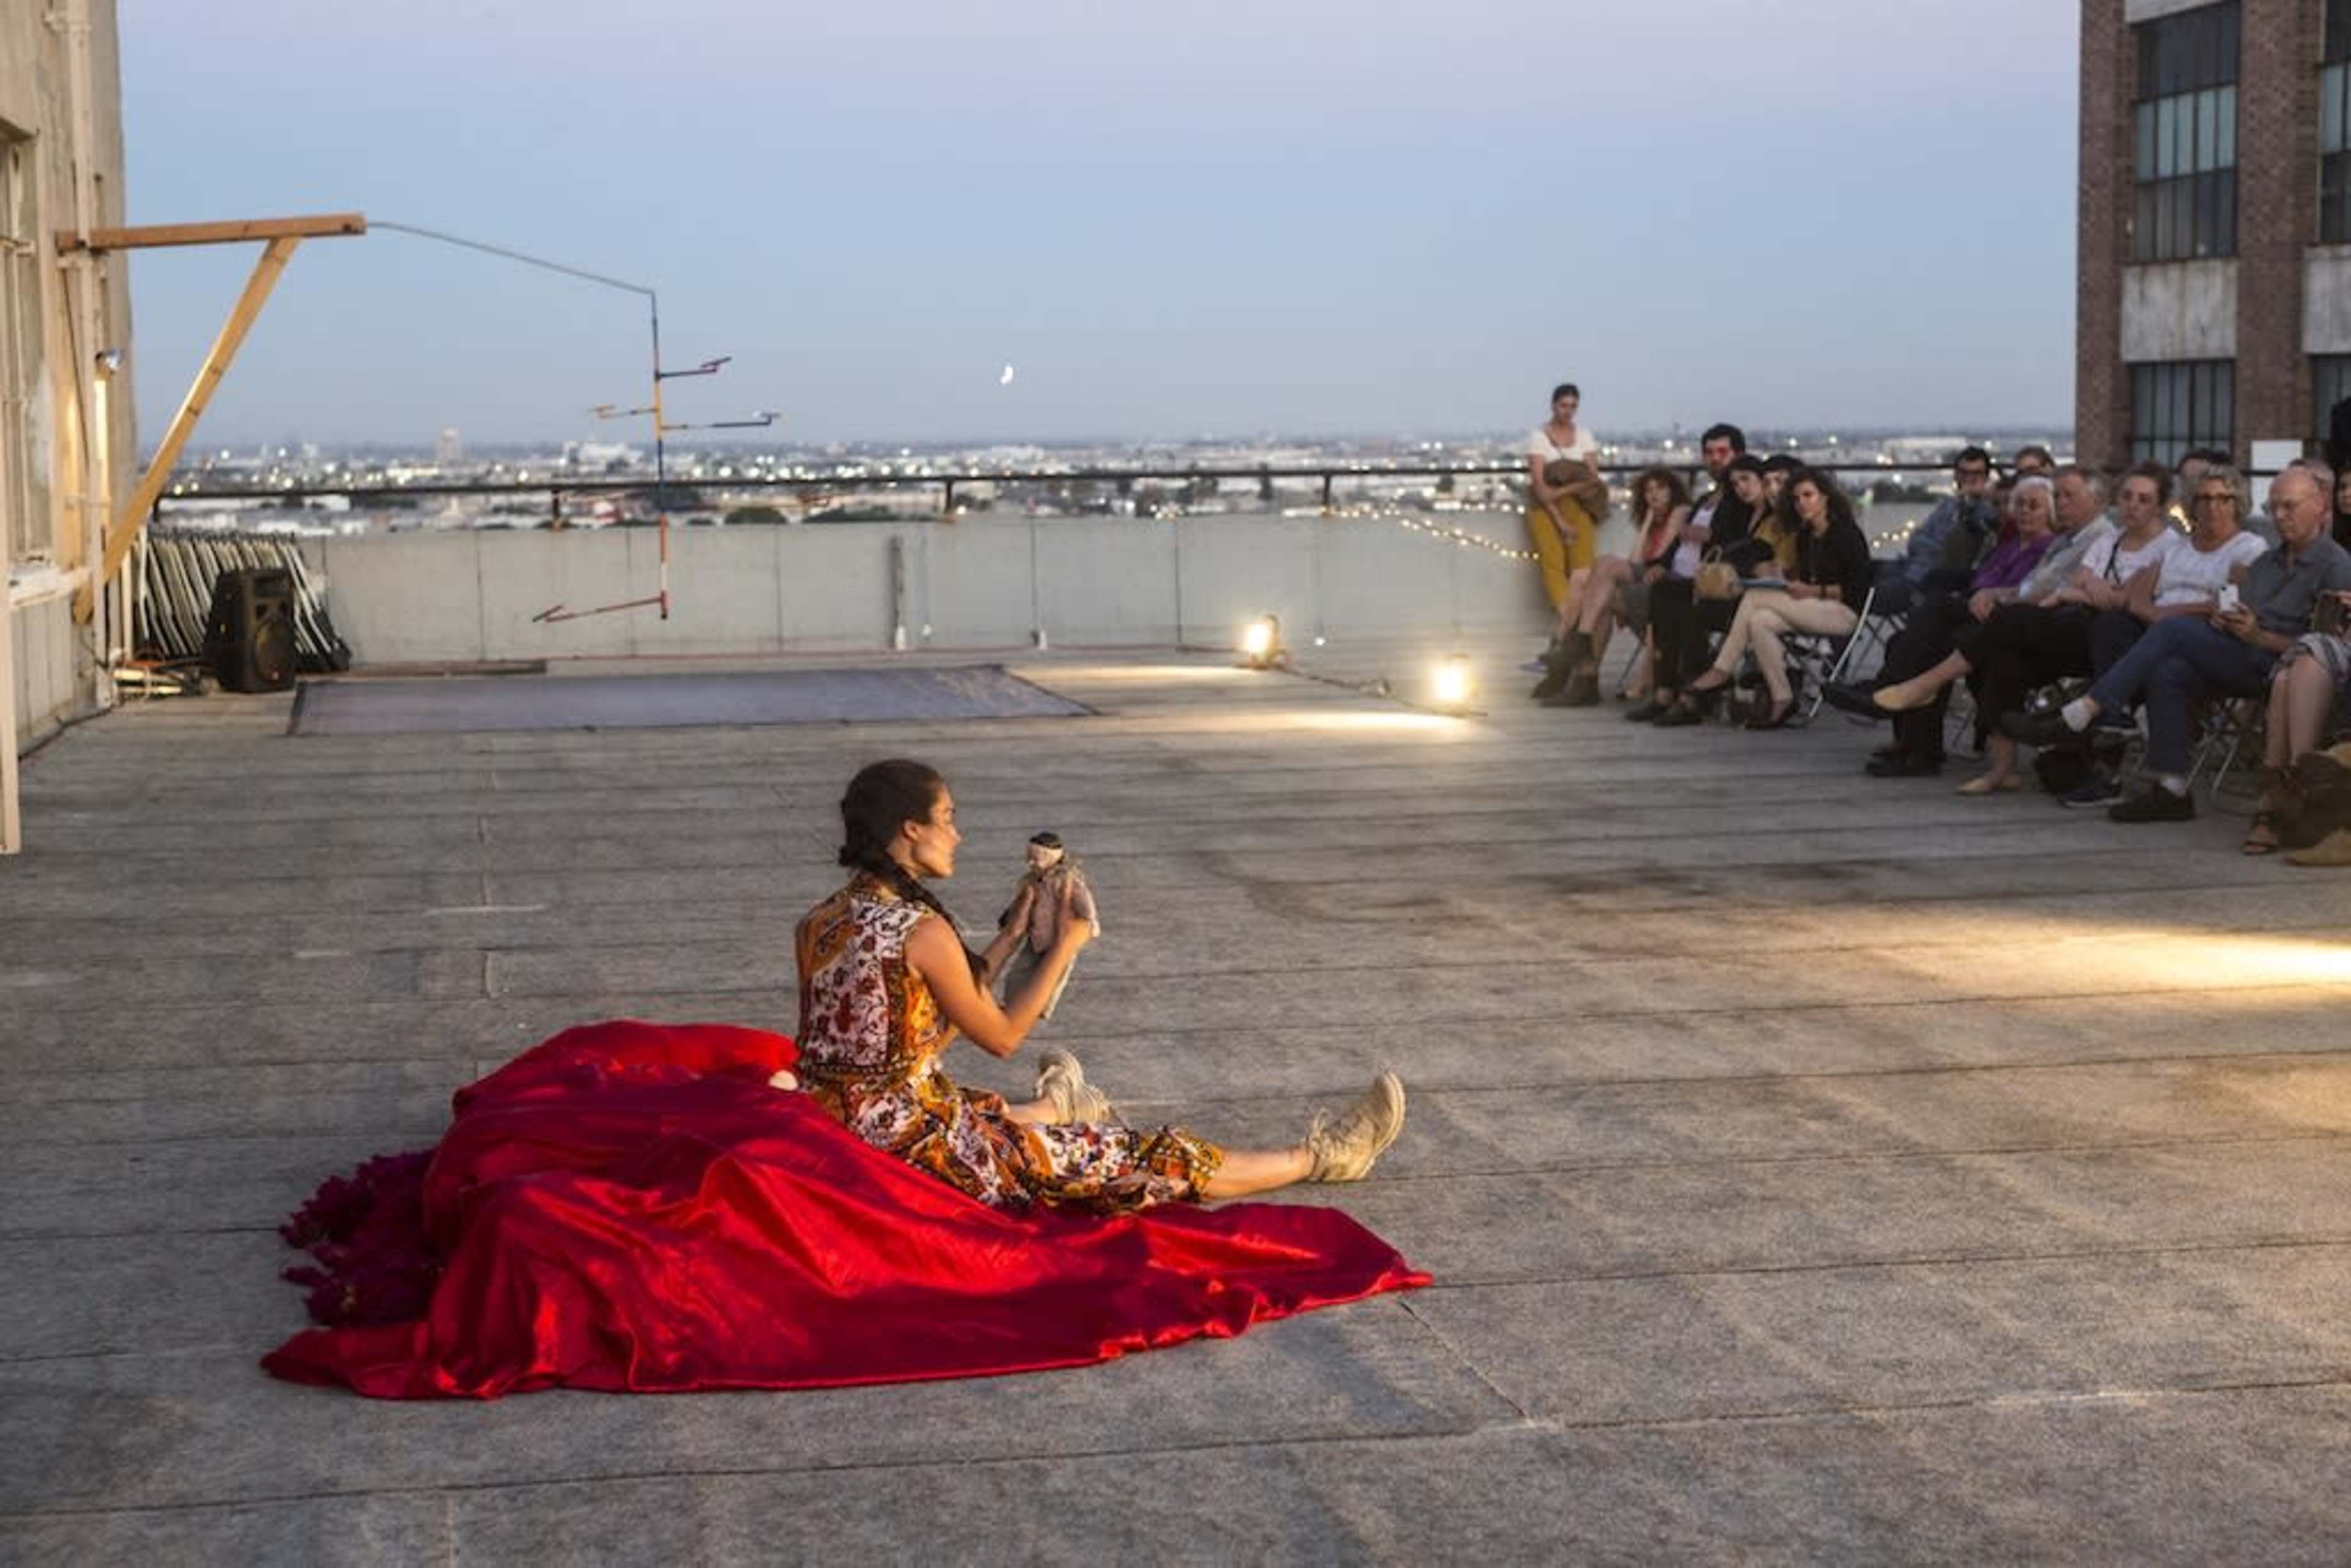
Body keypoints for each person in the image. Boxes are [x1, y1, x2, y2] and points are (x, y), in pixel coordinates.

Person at [802, 759, 1406, 1207]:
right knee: (1145, 1154)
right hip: (908, 1145)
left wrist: (1012, 935)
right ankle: (1323, 1157)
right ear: (911, 828)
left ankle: (1060, 1106)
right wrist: (1070, 941)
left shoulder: (820, 921)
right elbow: (1004, 1036)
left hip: (842, 1125)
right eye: (948, 818)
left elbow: (902, 1041)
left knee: (991, 1114)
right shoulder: (922, 930)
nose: (957, 834)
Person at [2004, 465, 2351, 822]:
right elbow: (2233, 607)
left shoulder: (2334, 565)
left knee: (2171, 631)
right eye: (2273, 507)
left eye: (2289, 506)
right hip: (2238, 648)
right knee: (2167, 669)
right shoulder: (2269, 561)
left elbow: (2328, 652)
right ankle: (2172, 788)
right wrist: (2228, 619)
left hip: (2282, 665)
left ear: (2319, 506)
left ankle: (2086, 711)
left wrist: (2257, 635)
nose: (2279, 516)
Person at [1866, 463, 2180, 795]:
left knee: (2006, 620)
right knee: (2003, 651)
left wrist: (2083, 592)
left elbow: (2127, 600)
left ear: (2160, 505)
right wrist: (2088, 591)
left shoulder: (2167, 547)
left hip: (2117, 644)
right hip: (2072, 625)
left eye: (2144, 499)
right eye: (2127, 497)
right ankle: (2003, 769)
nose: (2132, 505)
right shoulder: (2111, 541)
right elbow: (2082, 581)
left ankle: (1924, 685)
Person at [1826, 475, 2059, 775]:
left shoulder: (2048, 551)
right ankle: (1912, 746)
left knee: (1935, 615)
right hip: (1972, 613)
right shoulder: (2009, 546)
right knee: (1902, 642)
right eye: (2021, 504)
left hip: (2001, 624)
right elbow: (1976, 580)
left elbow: (2029, 594)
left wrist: (1988, 596)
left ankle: (1887, 700)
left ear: (2049, 512)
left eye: (2034, 506)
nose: (2025, 511)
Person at [1655, 468, 1872, 730]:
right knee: (1760, 621)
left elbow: (1859, 588)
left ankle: (1721, 670)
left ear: (1825, 497)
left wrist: (1813, 591)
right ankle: (1782, 698)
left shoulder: (1846, 534)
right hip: (1812, 607)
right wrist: (1781, 576)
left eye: (1808, 496)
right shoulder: (1806, 536)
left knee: (1755, 597)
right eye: (1796, 498)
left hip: (1843, 613)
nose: (1802, 503)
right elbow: (1805, 578)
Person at [1629, 438, 1762, 722]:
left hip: (1718, 586)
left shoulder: (1740, 505)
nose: (1716, 459)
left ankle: (1690, 697)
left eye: (1723, 452)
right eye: (1710, 453)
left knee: (1685, 606)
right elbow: (1679, 542)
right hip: (1687, 579)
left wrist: (1711, 537)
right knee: (1662, 593)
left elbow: (1744, 545)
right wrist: (1662, 565)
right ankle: (1665, 691)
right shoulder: (1705, 499)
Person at [1534, 465, 1687, 706]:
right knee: (1588, 585)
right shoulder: (1652, 521)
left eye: (1660, 488)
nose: (1654, 495)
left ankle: (1571, 651)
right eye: (1648, 490)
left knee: (1602, 568)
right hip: (1645, 586)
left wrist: (1650, 524)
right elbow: (1636, 561)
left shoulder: (1681, 512)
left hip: (1666, 588)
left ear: (1673, 491)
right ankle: (1583, 674)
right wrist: (1647, 523)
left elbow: (1658, 559)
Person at [1522, 383, 1605, 655]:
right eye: (1563, 406)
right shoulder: (1538, 438)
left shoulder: (1584, 436)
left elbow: (1592, 481)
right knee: (1553, 567)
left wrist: (1561, 490)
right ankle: (1572, 631)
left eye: (1573, 406)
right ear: (1553, 405)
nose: (1568, 411)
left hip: (1579, 507)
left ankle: (1562, 636)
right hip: (1544, 510)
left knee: (1583, 571)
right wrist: (1561, 521)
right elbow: (1540, 489)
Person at [1877, 447, 1998, 613]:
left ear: (1986, 477)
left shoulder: (1986, 511)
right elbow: (1917, 539)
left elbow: (1940, 547)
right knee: (1860, 571)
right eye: (1964, 473)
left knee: (1865, 594)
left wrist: (1971, 501)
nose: (1969, 479)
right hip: (1910, 565)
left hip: (1924, 581)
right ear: (1956, 475)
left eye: (1976, 474)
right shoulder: (1948, 504)